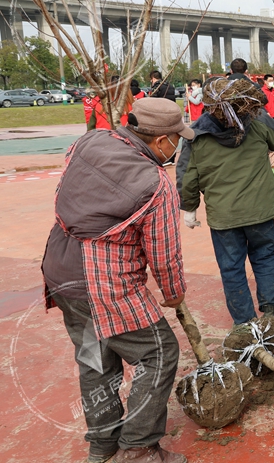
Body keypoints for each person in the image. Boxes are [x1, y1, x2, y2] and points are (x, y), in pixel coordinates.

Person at [42, 98, 193, 463]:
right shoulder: (156, 183)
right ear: (161, 141)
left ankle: (103, 445)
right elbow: (164, 254)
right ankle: (138, 447)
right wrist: (173, 293)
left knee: (95, 357)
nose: (178, 146)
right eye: (177, 139)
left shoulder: (91, 140)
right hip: (102, 279)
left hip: (60, 267)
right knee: (159, 352)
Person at [176, 77, 274, 325]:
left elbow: (188, 175)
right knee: (265, 256)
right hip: (259, 209)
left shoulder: (196, 134)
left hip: (224, 215)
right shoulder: (257, 122)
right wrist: (260, 113)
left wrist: (189, 208)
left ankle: (245, 322)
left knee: (231, 267)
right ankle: (271, 309)